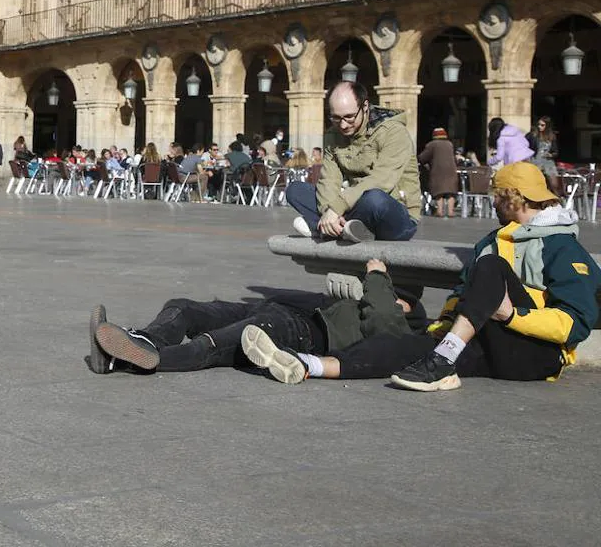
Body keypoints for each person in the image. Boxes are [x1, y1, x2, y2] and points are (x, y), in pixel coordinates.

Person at [247, 162, 600, 392]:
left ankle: (444, 356)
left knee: (492, 268)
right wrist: (442, 326)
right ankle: (308, 365)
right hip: (485, 342)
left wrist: (512, 314)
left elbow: (576, 324)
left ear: (514, 198)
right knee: (404, 349)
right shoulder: (490, 241)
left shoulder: (562, 247)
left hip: (537, 355)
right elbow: (463, 295)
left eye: (497, 197)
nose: (492, 204)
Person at [86, 258, 425, 375]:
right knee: (184, 306)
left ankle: (125, 360)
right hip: (276, 309)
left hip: (300, 331)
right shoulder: (379, 305)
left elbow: (383, 324)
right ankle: (144, 340)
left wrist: (379, 277)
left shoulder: (403, 326)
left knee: (211, 346)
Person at [286, 81, 420, 243]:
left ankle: (320, 227)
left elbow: (381, 180)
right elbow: (328, 180)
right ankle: (343, 228)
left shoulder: (394, 132)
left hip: (394, 214)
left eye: (349, 117)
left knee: (374, 198)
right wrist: (329, 211)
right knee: (296, 190)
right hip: (353, 209)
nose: (342, 125)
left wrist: (336, 208)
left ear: (365, 107)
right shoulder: (333, 136)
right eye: (336, 118)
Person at [417, 127, 458, 218]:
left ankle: (440, 211)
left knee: (439, 191)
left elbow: (423, 157)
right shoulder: (449, 144)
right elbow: (454, 158)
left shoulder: (432, 144)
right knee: (450, 192)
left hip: (438, 171)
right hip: (451, 171)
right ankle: (451, 212)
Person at [526, 115, 560, 194]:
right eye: (539, 124)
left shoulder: (551, 136)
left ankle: (556, 199)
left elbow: (555, 151)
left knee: (554, 183)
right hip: (535, 160)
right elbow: (524, 145)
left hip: (547, 161)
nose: (539, 127)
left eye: (542, 125)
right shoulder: (533, 135)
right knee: (534, 183)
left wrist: (551, 155)